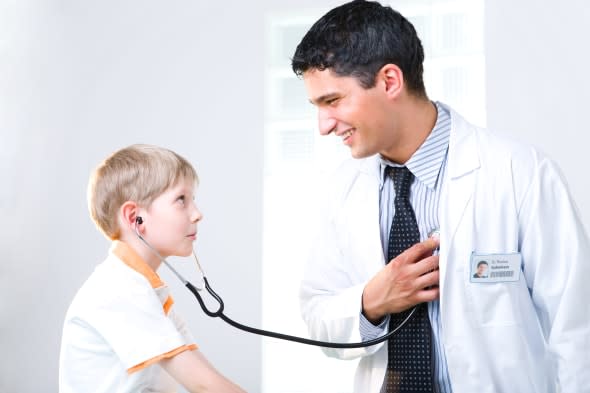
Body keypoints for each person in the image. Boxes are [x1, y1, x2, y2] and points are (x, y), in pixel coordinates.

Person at [291, 1, 590, 392]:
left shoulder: (520, 173)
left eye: (332, 101)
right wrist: (371, 301)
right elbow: (318, 312)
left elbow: (577, 331)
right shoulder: (343, 188)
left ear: (390, 81)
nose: (324, 125)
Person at [59, 144, 245, 393]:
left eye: (193, 200)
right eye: (181, 200)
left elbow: (206, 376)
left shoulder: (146, 291)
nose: (197, 214)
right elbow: (204, 386)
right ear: (135, 218)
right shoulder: (118, 290)